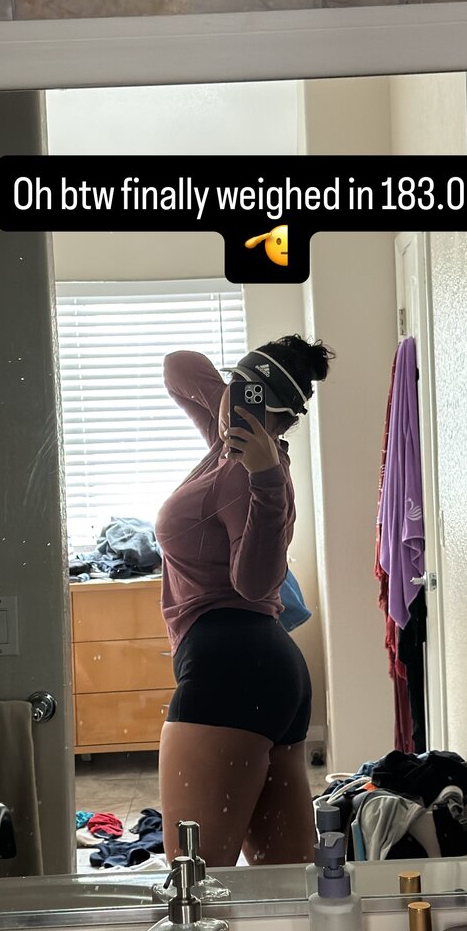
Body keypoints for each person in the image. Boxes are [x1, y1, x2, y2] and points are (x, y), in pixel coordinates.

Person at [155, 334, 335, 868]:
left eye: (254, 396)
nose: (238, 400)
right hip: (267, 669)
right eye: (238, 386)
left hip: (229, 671)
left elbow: (255, 584)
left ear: (282, 417)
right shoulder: (226, 444)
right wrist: (231, 397)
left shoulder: (252, 472)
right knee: (286, 885)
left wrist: (265, 479)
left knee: (193, 883)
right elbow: (177, 365)